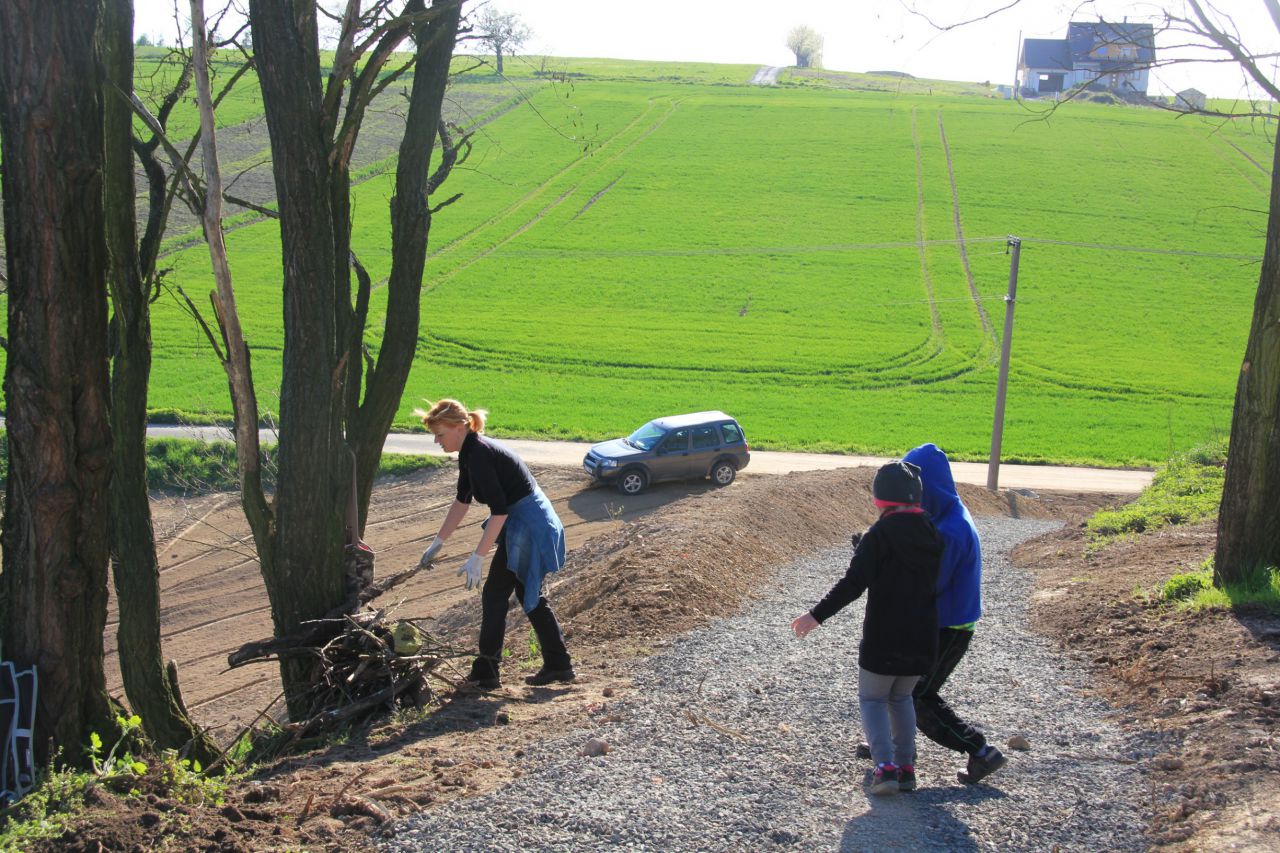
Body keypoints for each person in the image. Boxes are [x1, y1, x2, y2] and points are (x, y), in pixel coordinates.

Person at [792, 460, 943, 796]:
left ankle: (884, 767)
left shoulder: (879, 535)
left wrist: (816, 615)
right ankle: (906, 768)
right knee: (901, 697)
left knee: (873, 699)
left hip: (885, 636)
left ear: (879, 498)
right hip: (923, 635)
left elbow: (853, 583)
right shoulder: (932, 531)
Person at [417, 399, 575, 689]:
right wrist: (438, 542)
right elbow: (462, 500)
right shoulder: (469, 452)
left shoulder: (479, 454)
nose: (437, 441)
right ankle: (557, 664)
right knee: (522, 592)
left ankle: (488, 671)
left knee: (495, 594)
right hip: (524, 520)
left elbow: (499, 512)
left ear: (459, 427)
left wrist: (477, 557)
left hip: (529, 524)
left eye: (440, 434)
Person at [902, 442, 1006, 784]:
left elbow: (928, 584)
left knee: (917, 695)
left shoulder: (951, 530)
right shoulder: (944, 514)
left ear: (929, 486)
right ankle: (895, 747)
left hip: (950, 627)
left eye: (914, 490)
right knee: (899, 681)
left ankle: (979, 749)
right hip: (940, 621)